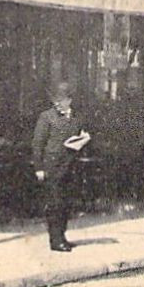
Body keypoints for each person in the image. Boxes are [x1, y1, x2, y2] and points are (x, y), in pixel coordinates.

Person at [31, 87, 91, 252]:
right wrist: (39, 168)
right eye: (55, 101)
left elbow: (82, 135)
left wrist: (84, 139)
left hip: (70, 167)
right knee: (55, 204)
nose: (57, 104)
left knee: (65, 203)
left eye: (61, 100)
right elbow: (37, 144)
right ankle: (55, 240)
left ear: (69, 100)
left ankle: (62, 236)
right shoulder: (46, 117)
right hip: (52, 167)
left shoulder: (77, 118)